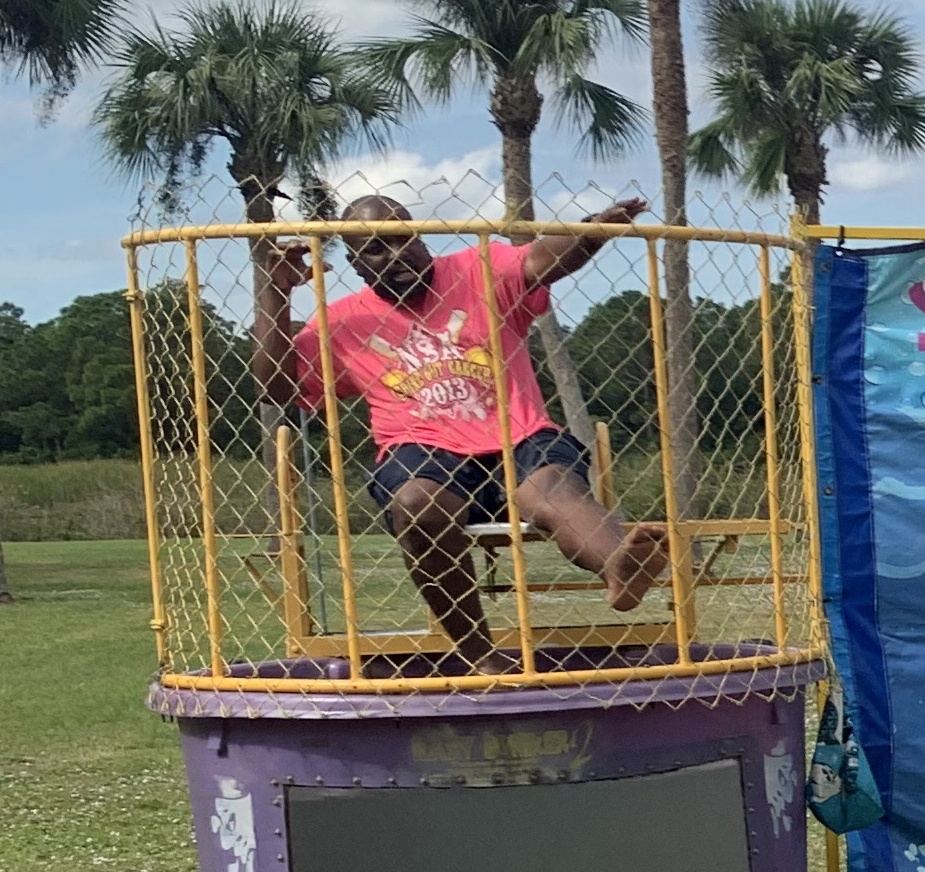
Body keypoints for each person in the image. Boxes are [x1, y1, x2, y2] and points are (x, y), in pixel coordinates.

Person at [256, 195, 665, 669]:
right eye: (374, 249)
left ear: (420, 239)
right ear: (354, 264)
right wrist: (275, 291)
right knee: (417, 503)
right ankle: (479, 654)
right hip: (421, 449)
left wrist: (593, 228)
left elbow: (541, 260)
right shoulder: (343, 321)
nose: (394, 255)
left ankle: (619, 564)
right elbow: (275, 385)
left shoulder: (479, 267)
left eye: (402, 240)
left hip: (519, 434)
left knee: (550, 487)